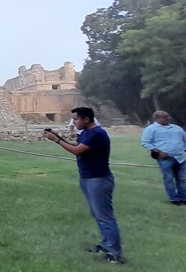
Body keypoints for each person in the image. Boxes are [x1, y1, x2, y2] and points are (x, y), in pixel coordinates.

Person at [44, 107, 124, 264]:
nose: (73, 122)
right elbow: (76, 144)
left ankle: (115, 254)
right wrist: (58, 136)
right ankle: (106, 245)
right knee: (98, 215)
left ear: (86, 119)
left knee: (105, 217)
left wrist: (57, 140)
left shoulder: (97, 134)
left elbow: (77, 151)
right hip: (88, 178)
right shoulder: (86, 133)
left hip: (98, 179)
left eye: (76, 119)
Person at [141, 110, 186, 205]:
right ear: (157, 118)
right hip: (165, 159)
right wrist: (157, 151)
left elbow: (185, 140)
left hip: (181, 157)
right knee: (168, 179)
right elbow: (145, 142)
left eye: (168, 116)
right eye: (164, 117)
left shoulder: (177, 128)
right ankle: (174, 199)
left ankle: (184, 198)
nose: (168, 118)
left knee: (182, 179)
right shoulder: (150, 129)